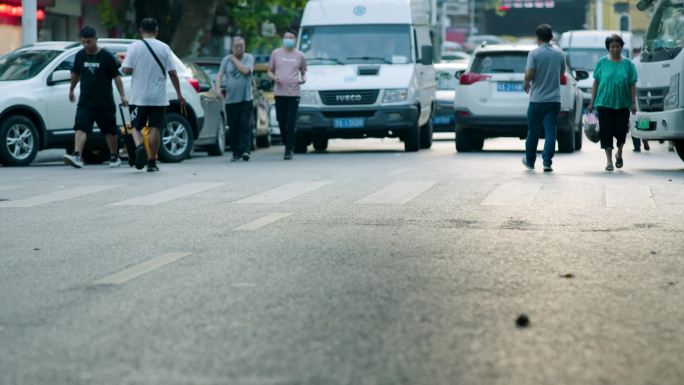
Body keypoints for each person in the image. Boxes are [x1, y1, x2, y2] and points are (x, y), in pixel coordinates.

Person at [121, 17, 186, 172]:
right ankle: (151, 161)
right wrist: (179, 94)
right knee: (155, 128)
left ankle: (139, 147)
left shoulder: (134, 47)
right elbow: (173, 73)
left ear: (140, 31)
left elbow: (127, 69)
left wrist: (126, 63)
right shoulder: (164, 48)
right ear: (157, 31)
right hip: (158, 98)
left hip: (139, 97)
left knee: (136, 127)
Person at [63, 26, 128, 169]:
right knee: (81, 126)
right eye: (83, 42)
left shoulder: (106, 57)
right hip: (86, 100)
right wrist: (71, 90)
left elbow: (116, 77)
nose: (86, 45)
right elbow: (75, 74)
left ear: (96, 40)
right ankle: (77, 155)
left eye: (89, 42)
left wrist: (123, 95)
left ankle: (114, 156)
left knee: (109, 130)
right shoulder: (80, 55)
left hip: (104, 101)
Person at [588, 34, 638, 171]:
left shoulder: (628, 64)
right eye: (612, 47)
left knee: (621, 130)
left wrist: (633, 103)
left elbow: (632, 84)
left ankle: (619, 152)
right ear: (608, 48)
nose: (615, 49)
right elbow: (596, 82)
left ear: (622, 47)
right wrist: (592, 102)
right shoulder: (602, 63)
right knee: (606, 131)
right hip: (604, 103)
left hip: (622, 103)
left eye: (617, 46)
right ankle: (609, 161)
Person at [523, 24, 566, 173]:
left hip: (537, 100)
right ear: (551, 37)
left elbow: (530, 73)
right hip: (554, 100)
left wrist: (526, 81)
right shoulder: (560, 54)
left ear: (538, 37)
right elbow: (561, 74)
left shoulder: (534, 54)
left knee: (533, 131)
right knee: (550, 132)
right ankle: (547, 162)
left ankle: (530, 161)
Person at [268, 30, 307, 160]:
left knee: (291, 121)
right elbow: (269, 71)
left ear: (295, 40)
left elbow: (303, 71)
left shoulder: (300, 55)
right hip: (279, 93)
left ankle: (289, 149)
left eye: (291, 37)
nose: (289, 39)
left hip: (294, 93)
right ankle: (287, 142)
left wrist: (303, 79)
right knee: (281, 120)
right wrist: (274, 78)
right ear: (283, 39)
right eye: (287, 37)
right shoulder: (276, 53)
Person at [216, 36, 254, 162]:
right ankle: (236, 152)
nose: (239, 48)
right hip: (231, 100)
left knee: (245, 125)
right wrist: (217, 89)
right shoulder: (225, 60)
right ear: (232, 47)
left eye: (241, 45)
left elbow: (245, 71)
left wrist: (234, 59)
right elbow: (220, 75)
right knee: (233, 127)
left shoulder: (248, 58)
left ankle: (246, 151)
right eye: (237, 46)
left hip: (246, 99)